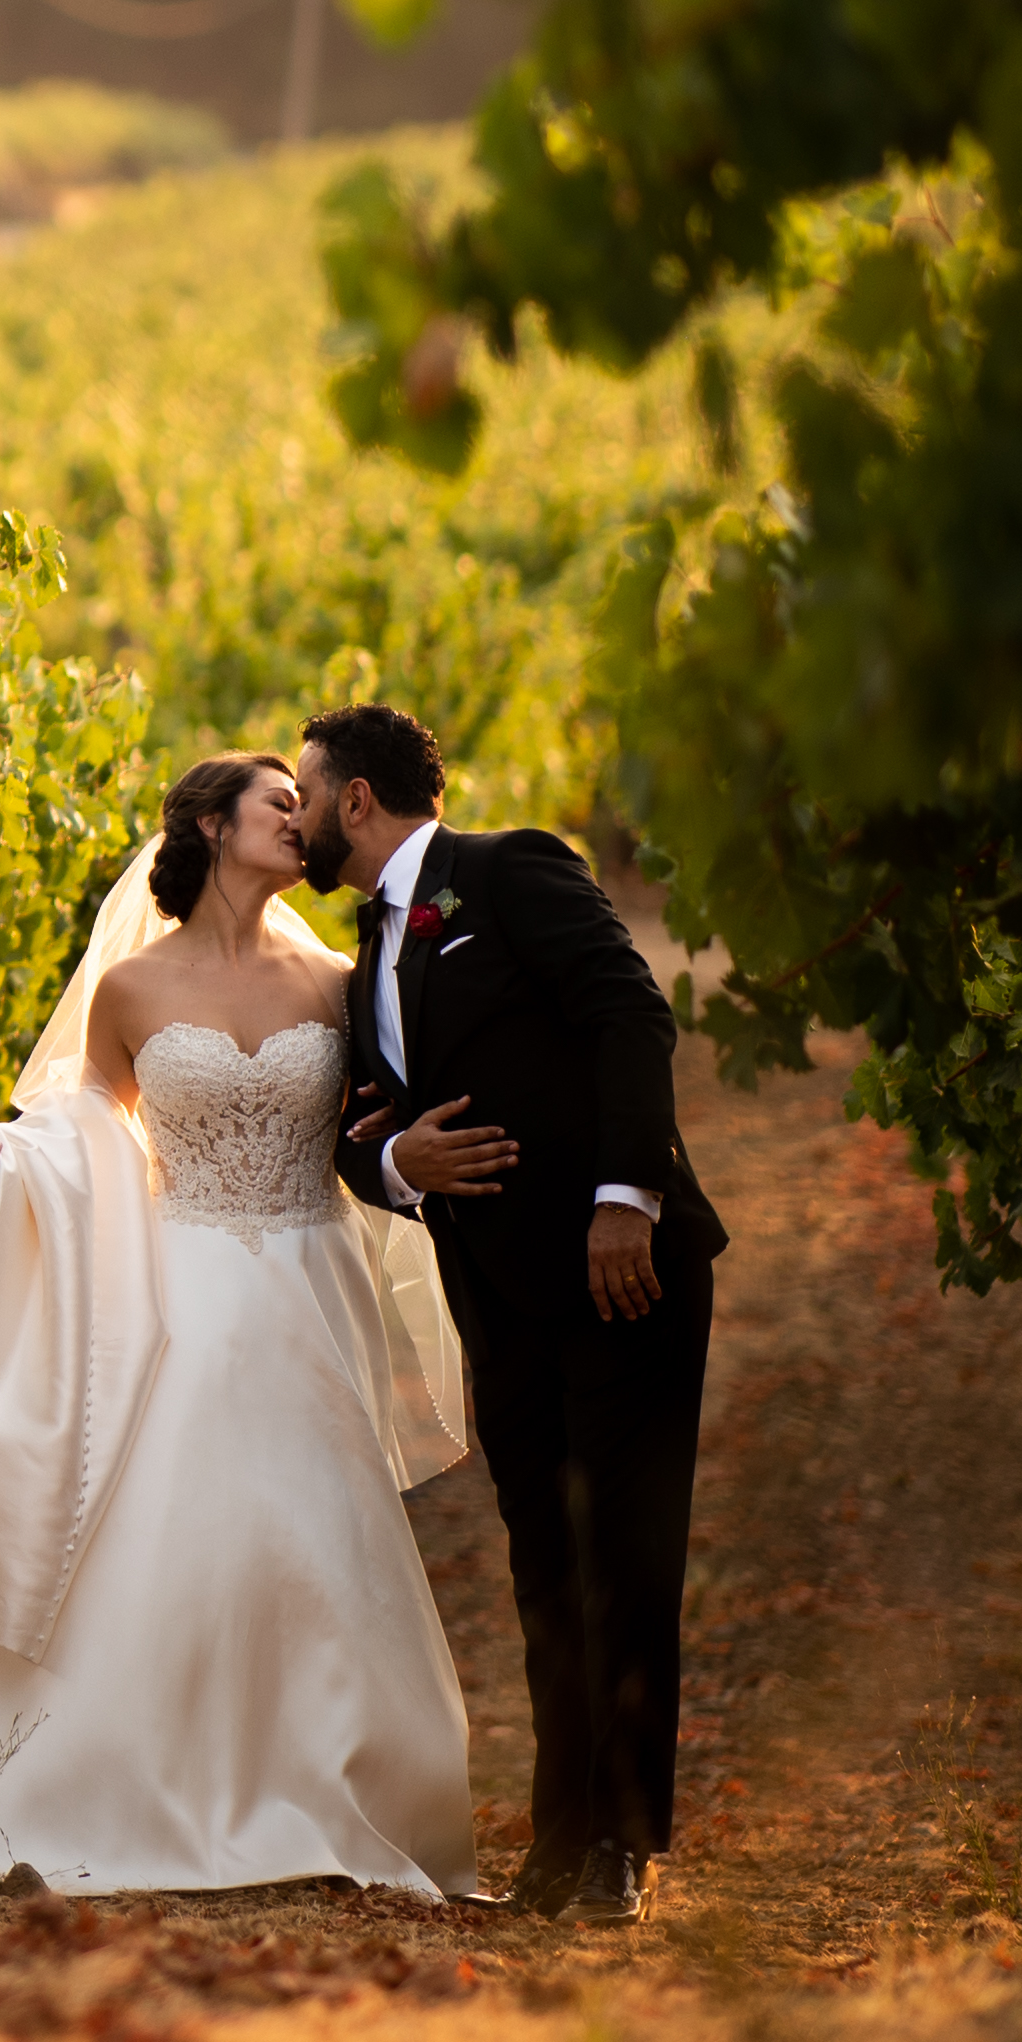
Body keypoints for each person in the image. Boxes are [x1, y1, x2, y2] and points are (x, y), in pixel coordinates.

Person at [0, 751, 480, 1898]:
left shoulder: (337, 984)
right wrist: (14, 1155)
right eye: (275, 802)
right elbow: (87, 1119)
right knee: (180, 1529)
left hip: (310, 1279)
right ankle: (118, 1779)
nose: (298, 819)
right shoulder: (132, 991)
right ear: (210, 824)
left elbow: (376, 1122)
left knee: (312, 1536)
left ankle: (329, 1782)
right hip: (183, 1282)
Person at [296, 700, 727, 1922]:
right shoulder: (362, 956)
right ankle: (556, 1844)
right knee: (545, 1567)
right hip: (499, 1297)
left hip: (620, 1269)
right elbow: (366, 1131)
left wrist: (624, 1199)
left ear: (358, 800)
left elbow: (629, 1013)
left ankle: (625, 1850)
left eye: (310, 789)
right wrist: (394, 1172)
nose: (303, 812)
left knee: (626, 1560)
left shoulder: (508, 868)